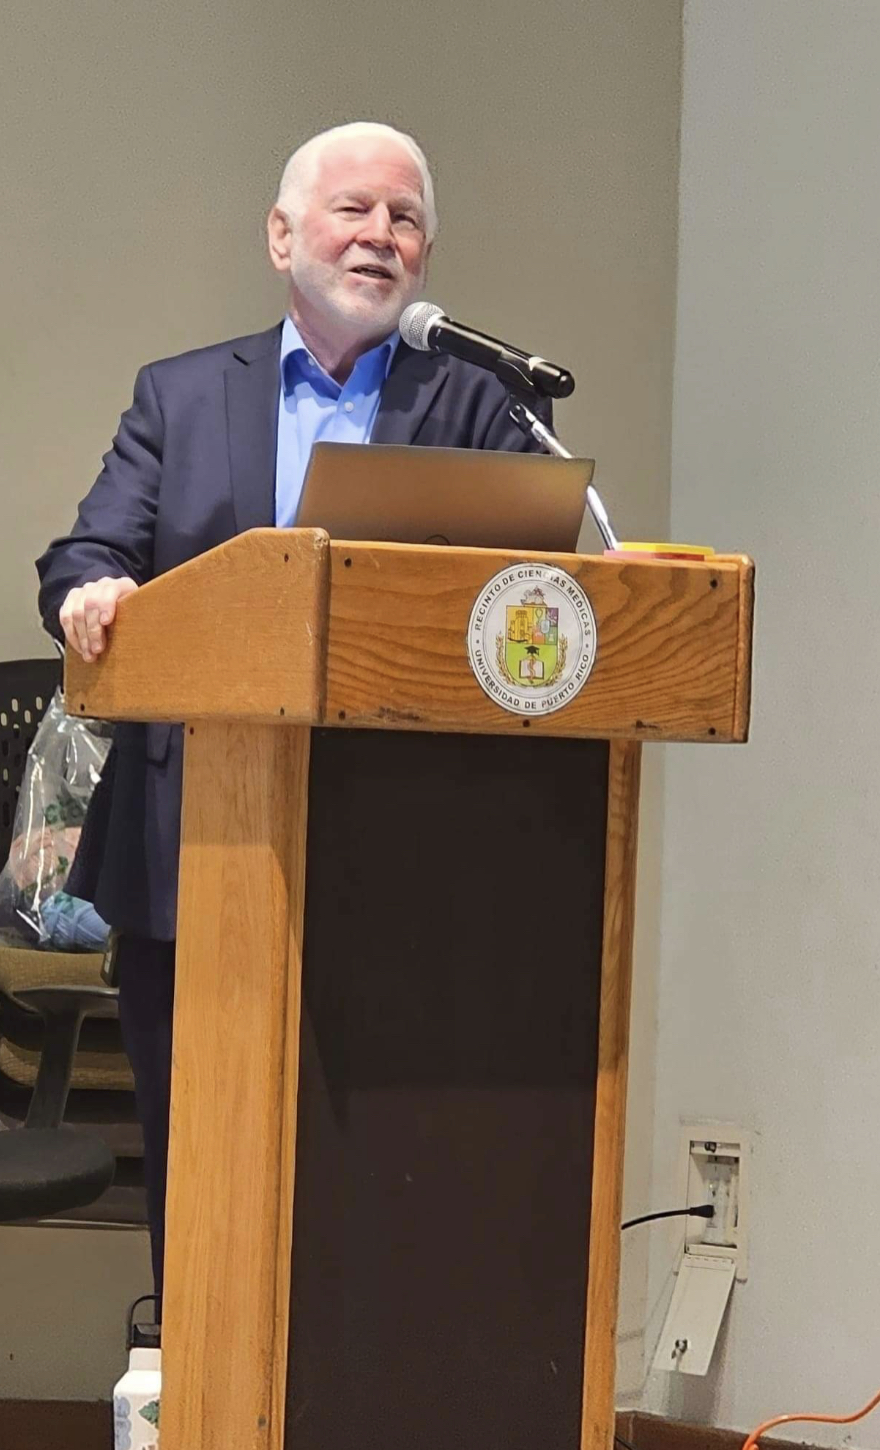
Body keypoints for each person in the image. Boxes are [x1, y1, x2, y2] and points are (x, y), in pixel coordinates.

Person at [36, 121, 549, 1295]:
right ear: (282, 238)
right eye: (353, 209)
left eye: (405, 219)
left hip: (409, 858)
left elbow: (528, 590)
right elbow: (86, 552)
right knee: (200, 1171)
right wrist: (91, 593)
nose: (381, 236)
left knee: (381, 1186)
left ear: (427, 254)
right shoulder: (179, 396)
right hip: (192, 851)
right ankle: (201, 1392)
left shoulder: (481, 404)